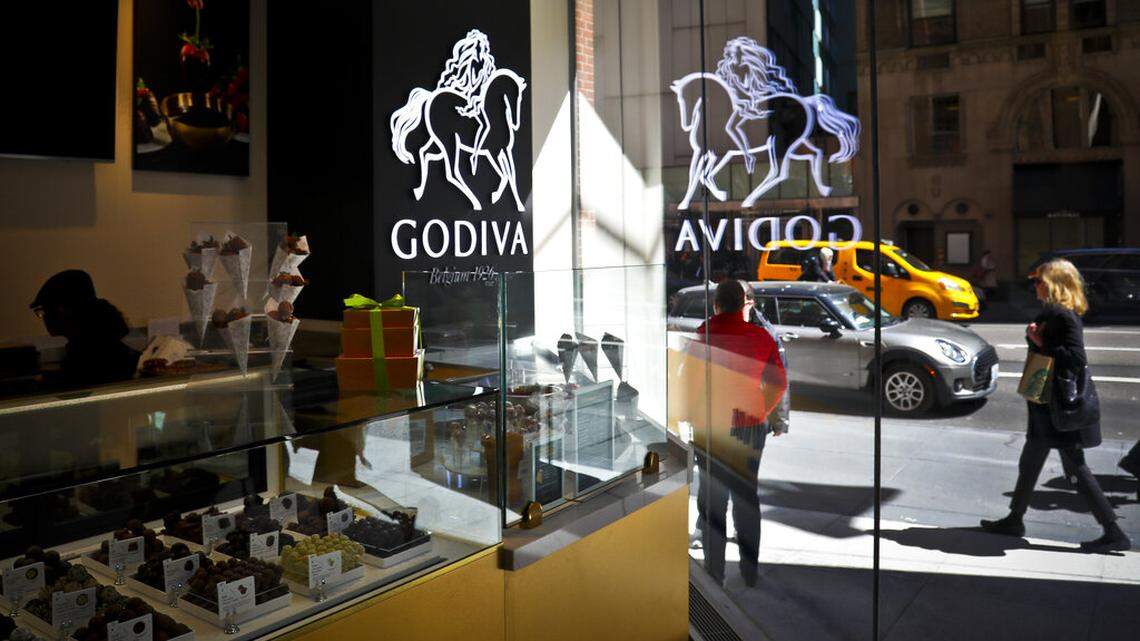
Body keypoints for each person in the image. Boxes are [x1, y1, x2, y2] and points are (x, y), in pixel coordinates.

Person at [980, 259, 1130, 553]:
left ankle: (1113, 531)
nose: (1034, 285)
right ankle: (1014, 519)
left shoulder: (1064, 317)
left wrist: (1040, 341)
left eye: (1039, 281)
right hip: (1044, 406)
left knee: (1076, 467)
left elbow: (1076, 358)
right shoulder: (1053, 313)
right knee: (1030, 462)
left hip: (1056, 409)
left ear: (1054, 285)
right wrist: (1038, 341)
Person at [693, 280, 787, 586]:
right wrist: (763, 409)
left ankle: (714, 571)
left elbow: (689, 381)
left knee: (712, 500)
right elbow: (778, 383)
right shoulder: (760, 337)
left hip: (712, 428)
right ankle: (749, 572)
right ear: (744, 304)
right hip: (748, 427)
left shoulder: (705, 335)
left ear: (716, 305)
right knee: (746, 497)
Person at [30, 270, 138, 388]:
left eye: (43, 311)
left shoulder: (89, 356)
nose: (43, 317)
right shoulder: (99, 346)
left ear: (62, 310)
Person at [715, 37, 796, 175]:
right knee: (732, 127)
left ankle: (748, 155)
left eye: (734, 54)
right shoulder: (734, 67)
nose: (732, 57)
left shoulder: (745, 67)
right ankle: (748, 155)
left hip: (751, 101)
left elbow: (747, 90)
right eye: (731, 54)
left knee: (731, 126)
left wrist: (736, 82)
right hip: (743, 101)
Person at [436, 29, 497, 172]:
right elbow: (461, 81)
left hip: (480, 99)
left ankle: (474, 154)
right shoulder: (467, 63)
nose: (481, 50)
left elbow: (489, 83)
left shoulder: (487, 63)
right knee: (485, 125)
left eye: (482, 47)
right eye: (478, 46)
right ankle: (474, 155)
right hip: (466, 97)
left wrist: (478, 97)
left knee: (485, 125)